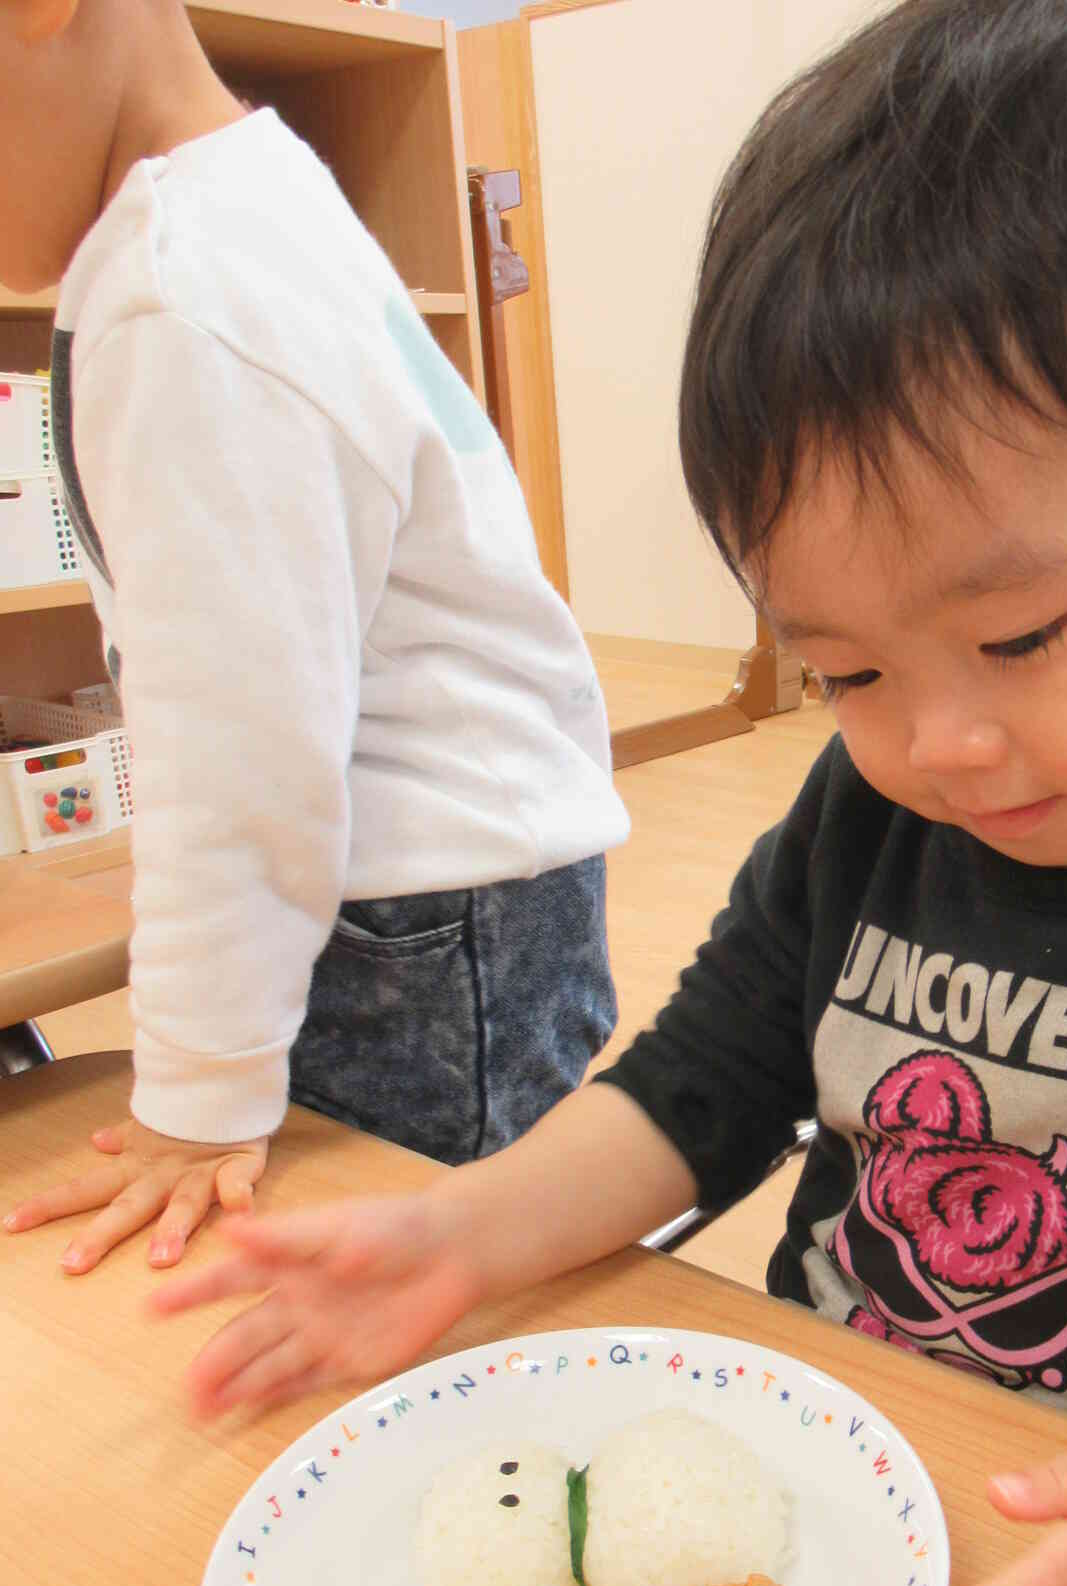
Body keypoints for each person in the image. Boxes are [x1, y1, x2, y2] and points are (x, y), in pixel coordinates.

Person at [156, 0, 1067, 1586]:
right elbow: (704, 1081)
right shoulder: (875, 813)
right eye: (849, 669)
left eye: (1020, 635)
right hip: (818, 1520)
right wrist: (460, 1230)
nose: (933, 744)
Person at [0, 0, 628, 1274]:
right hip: (470, 897)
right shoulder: (255, 201)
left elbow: (238, 759)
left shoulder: (181, 301)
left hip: (413, 924)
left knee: (406, 1285)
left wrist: (197, 1094)